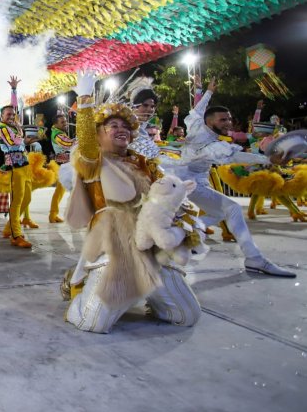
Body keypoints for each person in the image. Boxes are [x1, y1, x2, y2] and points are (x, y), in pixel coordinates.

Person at [64, 71, 201, 333]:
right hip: (114, 247)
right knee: (91, 323)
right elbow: (87, 144)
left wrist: (184, 225)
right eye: (112, 126)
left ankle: (142, 295)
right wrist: (84, 100)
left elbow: (169, 200)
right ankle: (79, 284)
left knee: (185, 317)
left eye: (126, 126)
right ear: (98, 134)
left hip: (153, 248)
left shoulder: (146, 164)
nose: (121, 130)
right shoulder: (93, 162)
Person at [170, 78, 295, 277]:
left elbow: (198, 109)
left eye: (229, 119)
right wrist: (267, 159)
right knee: (233, 208)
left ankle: (189, 234)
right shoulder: (210, 145)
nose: (228, 123)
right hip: (188, 183)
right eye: (223, 120)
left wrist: (208, 92)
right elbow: (234, 155)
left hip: (188, 180)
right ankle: (254, 258)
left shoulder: (196, 124)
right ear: (209, 122)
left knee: (221, 212)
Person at [0, 76, 36, 249]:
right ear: (1, 116)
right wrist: (22, 134)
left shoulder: (13, 125)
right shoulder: (1, 129)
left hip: (24, 166)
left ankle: (8, 227)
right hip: (14, 168)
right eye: (7, 114)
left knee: (27, 198)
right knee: (16, 201)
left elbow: (14, 108)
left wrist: (14, 90)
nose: (11, 116)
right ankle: (16, 235)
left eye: (12, 114)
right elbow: (14, 142)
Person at [49, 113, 74, 223]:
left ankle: (53, 214)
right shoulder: (57, 134)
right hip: (64, 167)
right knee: (73, 190)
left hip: (64, 165)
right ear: (56, 124)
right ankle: (74, 215)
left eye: (65, 121)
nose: (66, 123)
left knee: (60, 191)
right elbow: (67, 144)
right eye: (62, 122)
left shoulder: (58, 132)